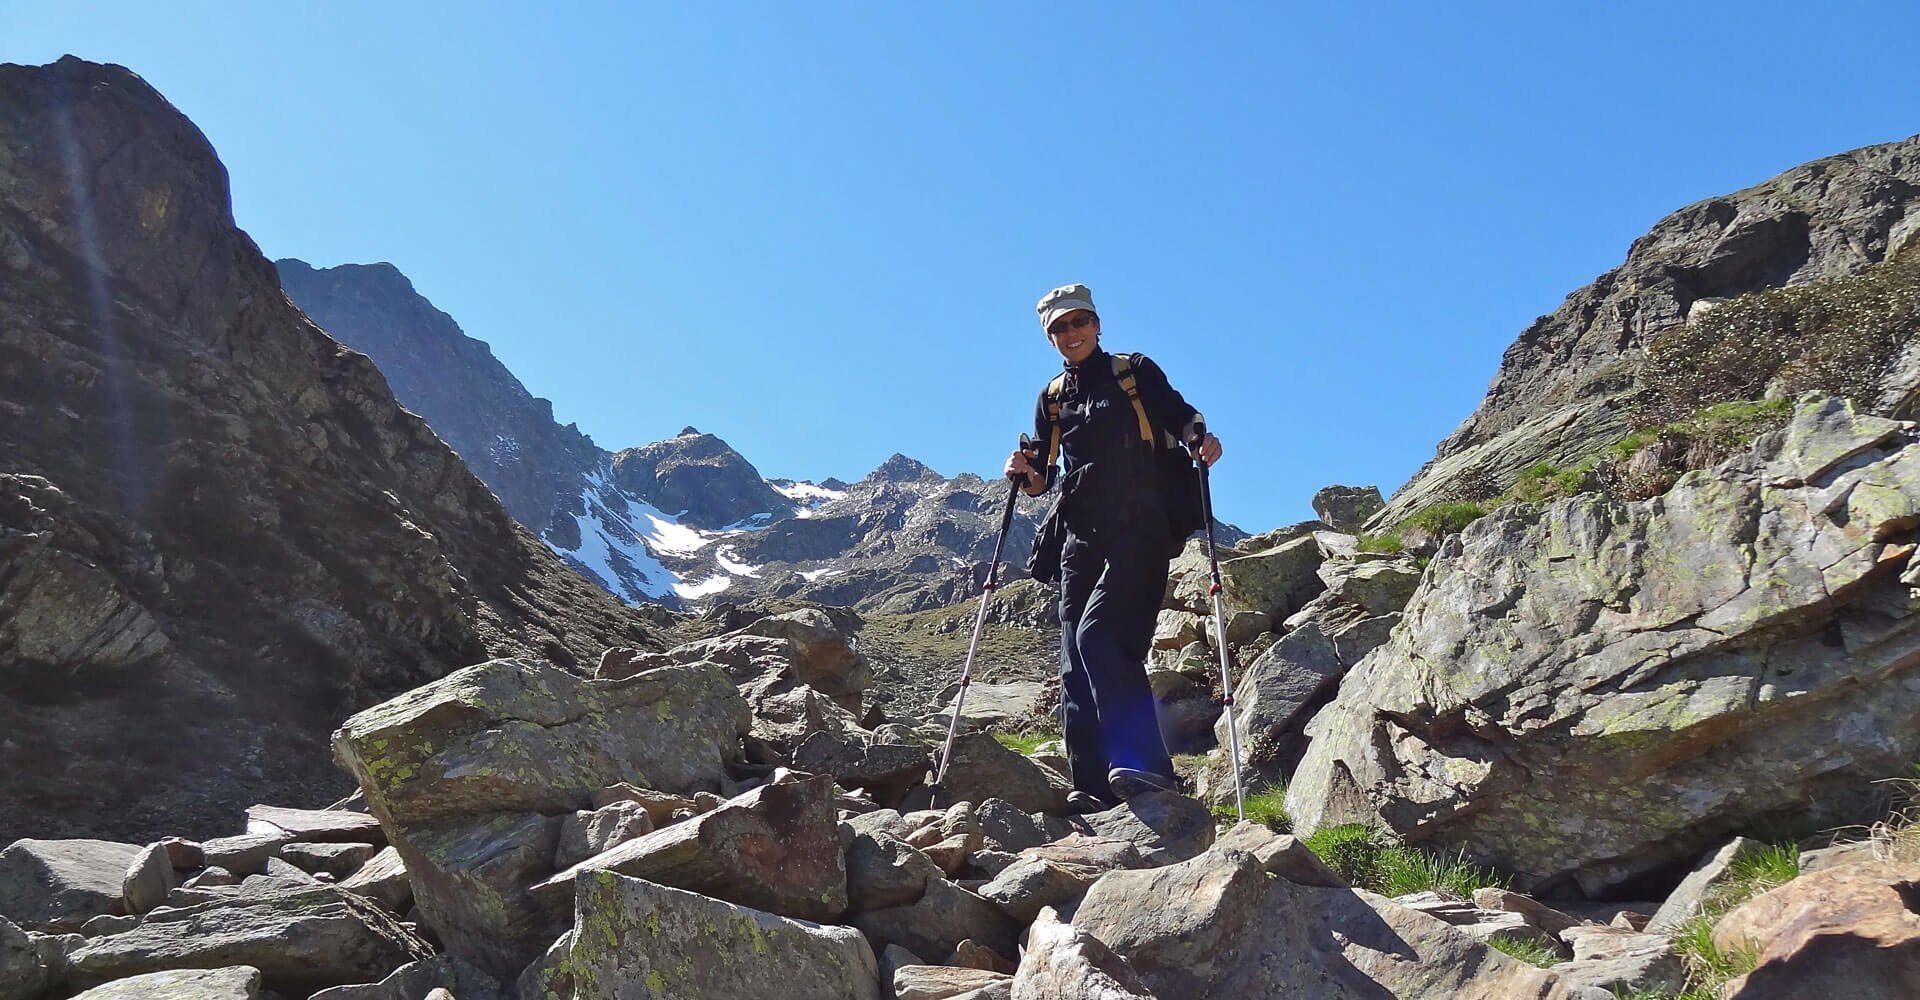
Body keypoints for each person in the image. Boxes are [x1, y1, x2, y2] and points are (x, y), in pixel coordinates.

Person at [1006, 283, 1223, 811]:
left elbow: (1181, 415)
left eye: (1079, 322)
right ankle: (1093, 786)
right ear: (1049, 337)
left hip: (1142, 525)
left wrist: (1201, 438)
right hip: (1079, 535)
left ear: (1097, 325)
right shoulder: (1053, 398)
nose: (1071, 333)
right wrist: (1023, 473)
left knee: (1100, 636)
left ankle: (1148, 769)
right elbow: (1042, 479)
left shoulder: (1133, 372)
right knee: (1071, 662)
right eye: (1059, 327)